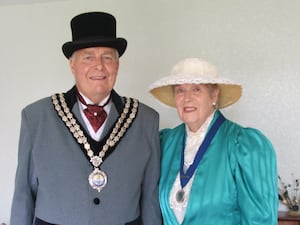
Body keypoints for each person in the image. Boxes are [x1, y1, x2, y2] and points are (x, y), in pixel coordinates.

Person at [10, 12, 162, 225]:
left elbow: (150, 200)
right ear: (72, 65)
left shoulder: (146, 119)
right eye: (88, 57)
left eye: (107, 57)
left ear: (117, 65)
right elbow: (23, 195)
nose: (99, 66)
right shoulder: (36, 117)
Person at [148, 57, 278, 225]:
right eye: (180, 90)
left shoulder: (243, 146)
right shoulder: (165, 143)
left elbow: (260, 221)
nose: (187, 98)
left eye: (196, 89)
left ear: (214, 95)